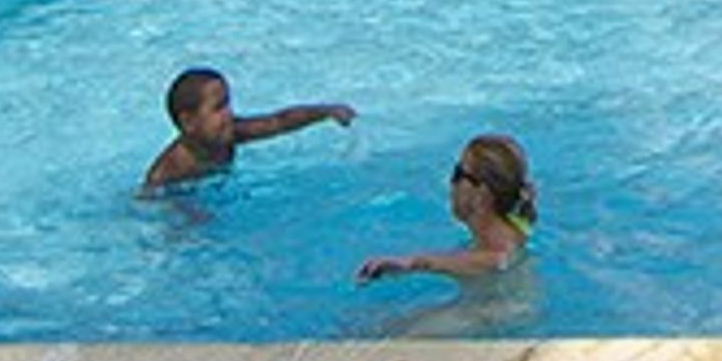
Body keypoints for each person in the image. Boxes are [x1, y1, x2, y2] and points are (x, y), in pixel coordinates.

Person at [142, 67, 357, 194]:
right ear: (188, 122)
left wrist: (325, 112)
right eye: (218, 108)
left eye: (228, 104)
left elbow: (278, 122)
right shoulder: (171, 170)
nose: (229, 113)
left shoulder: (231, 133)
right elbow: (151, 200)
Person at [359, 133, 536, 282]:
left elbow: (496, 262)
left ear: (482, 193)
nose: (450, 183)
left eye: (458, 173)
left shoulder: (494, 257)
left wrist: (409, 263)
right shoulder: (517, 223)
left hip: (491, 309)